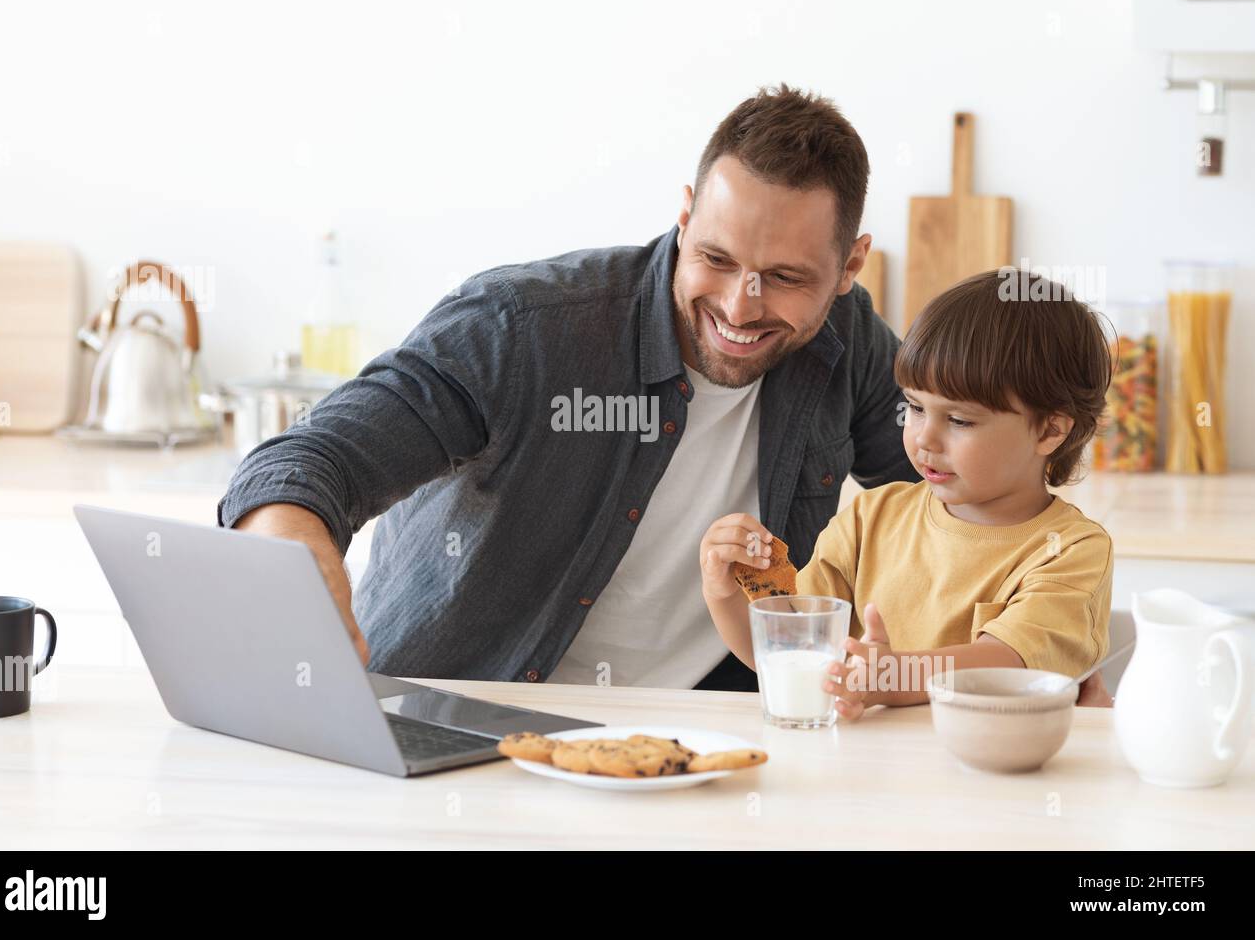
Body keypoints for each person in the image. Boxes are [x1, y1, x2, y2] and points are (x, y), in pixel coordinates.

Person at [216, 83, 918, 690]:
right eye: (714, 258)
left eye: (788, 278)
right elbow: (308, 462)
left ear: (851, 263)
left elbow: (962, 497)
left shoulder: (845, 340)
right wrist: (298, 562)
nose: (740, 306)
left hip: (703, 746)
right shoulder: (521, 328)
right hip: (461, 724)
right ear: (684, 216)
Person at [700, 270, 1117, 717]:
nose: (925, 439)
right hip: (865, 773)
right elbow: (797, 652)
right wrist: (723, 595)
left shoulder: (1071, 551)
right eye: (915, 408)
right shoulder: (869, 518)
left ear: (1051, 430)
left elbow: (1005, 664)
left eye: (959, 420)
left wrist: (890, 676)